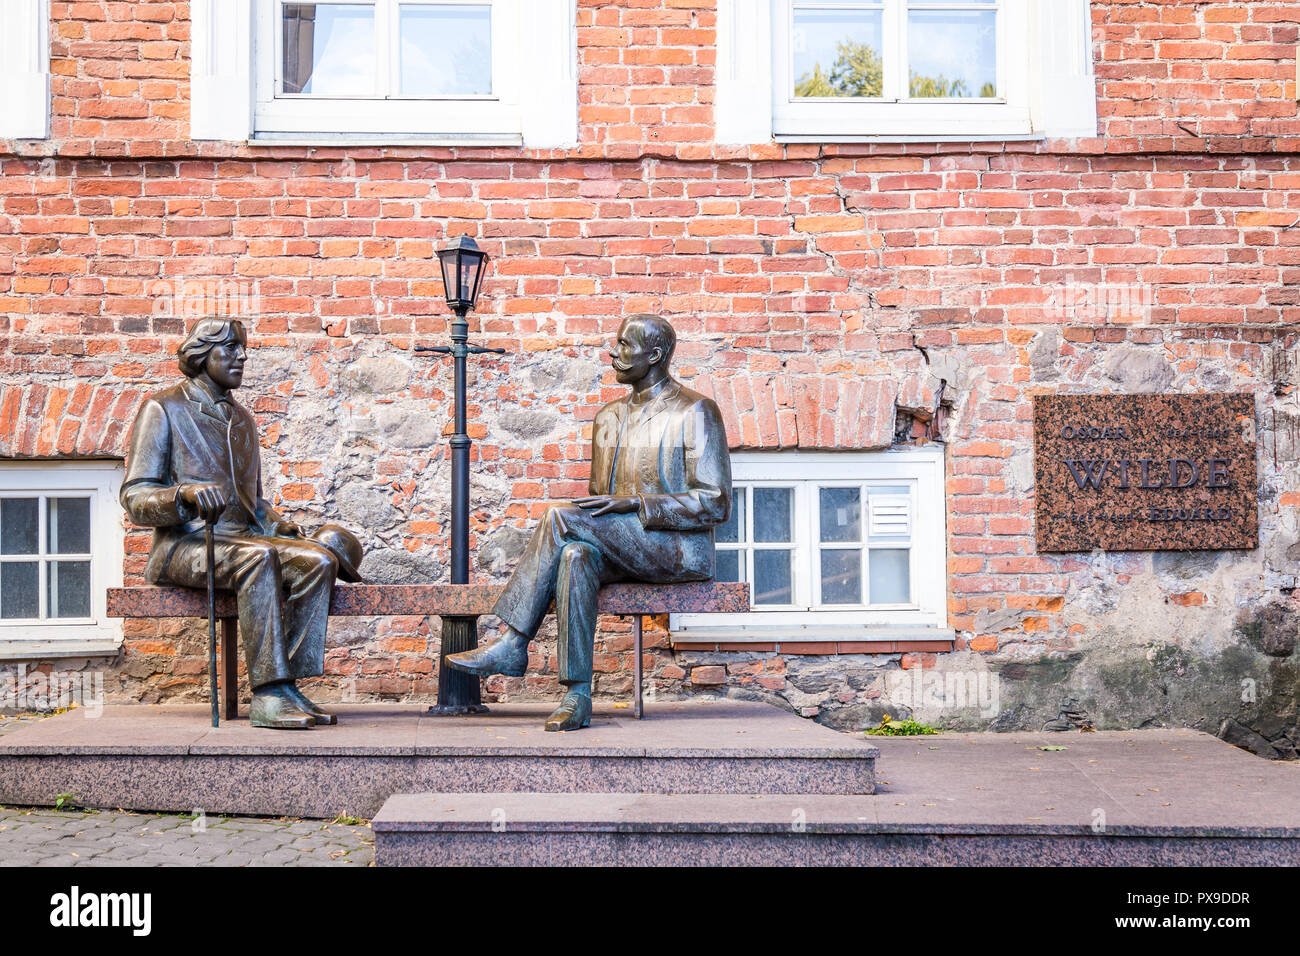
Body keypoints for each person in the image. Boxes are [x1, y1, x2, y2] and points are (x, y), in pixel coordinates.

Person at [447, 314, 733, 730]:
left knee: (560, 517)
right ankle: (577, 695)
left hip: (675, 549)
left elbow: (716, 501)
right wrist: (613, 512)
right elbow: (596, 505)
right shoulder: (608, 418)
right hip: (621, 546)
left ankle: (513, 641)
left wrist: (636, 504)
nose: (613, 353)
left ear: (654, 356)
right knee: (576, 554)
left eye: (624, 345)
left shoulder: (695, 411)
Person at [120, 318, 363, 730]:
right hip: (187, 546)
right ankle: (268, 694)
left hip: (245, 540)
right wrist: (183, 496)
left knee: (319, 561)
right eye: (231, 347)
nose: (242, 356)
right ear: (201, 354)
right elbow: (135, 497)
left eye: (243, 348)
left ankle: (288, 685)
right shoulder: (163, 409)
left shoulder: (243, 420)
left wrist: (277, 523)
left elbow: (253, 502)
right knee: (258, 557)